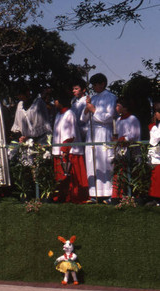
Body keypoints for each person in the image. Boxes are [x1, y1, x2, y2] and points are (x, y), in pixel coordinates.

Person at [80, 73, 117, 203]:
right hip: (92, 133)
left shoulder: (111, 97)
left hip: (103, 131)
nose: (94, 87)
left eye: (96, 84)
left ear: (102, 84)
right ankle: (94, 193)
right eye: (93, 85)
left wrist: (94, 110)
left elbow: (109, 116)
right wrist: (87, 109)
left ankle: (108, 194)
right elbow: (83, 119)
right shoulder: (93, 98)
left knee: (104, 161)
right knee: (91, 161)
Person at [52, 92, 89, 203]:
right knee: (61, 175)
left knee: (71, 174)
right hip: (59, 149)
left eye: (56, 100)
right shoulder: (59, 114)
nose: (55, 103)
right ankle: (62, 196)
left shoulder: (69, 114)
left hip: (69, 150)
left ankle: (75, 196)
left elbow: (70, 133)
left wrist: (65, 148)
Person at [110, 98, 141, 203]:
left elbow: (135, 134)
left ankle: (133, 195)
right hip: (121, 150)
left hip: (132, 150)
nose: (116, 108)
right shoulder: (118, 120)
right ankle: (120, 195)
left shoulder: (132, 119)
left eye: (118, 106)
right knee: (121, 171)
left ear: (125, 107)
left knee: (132, 170)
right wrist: (115, 139)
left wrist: (124, 138)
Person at [148, 102, 160, 206]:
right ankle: (156, 199)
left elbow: (155, 139)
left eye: (156, 112)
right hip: (156, 155)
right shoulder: (156, 126)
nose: (156, 115)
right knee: (156, 178)